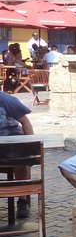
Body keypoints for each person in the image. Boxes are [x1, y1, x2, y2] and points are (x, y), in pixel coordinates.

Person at [0, 90, 35, 218]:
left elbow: (25, 122)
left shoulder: (6, 100)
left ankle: (22, 199)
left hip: (12, 143)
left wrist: (31, 147)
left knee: (21, 160)